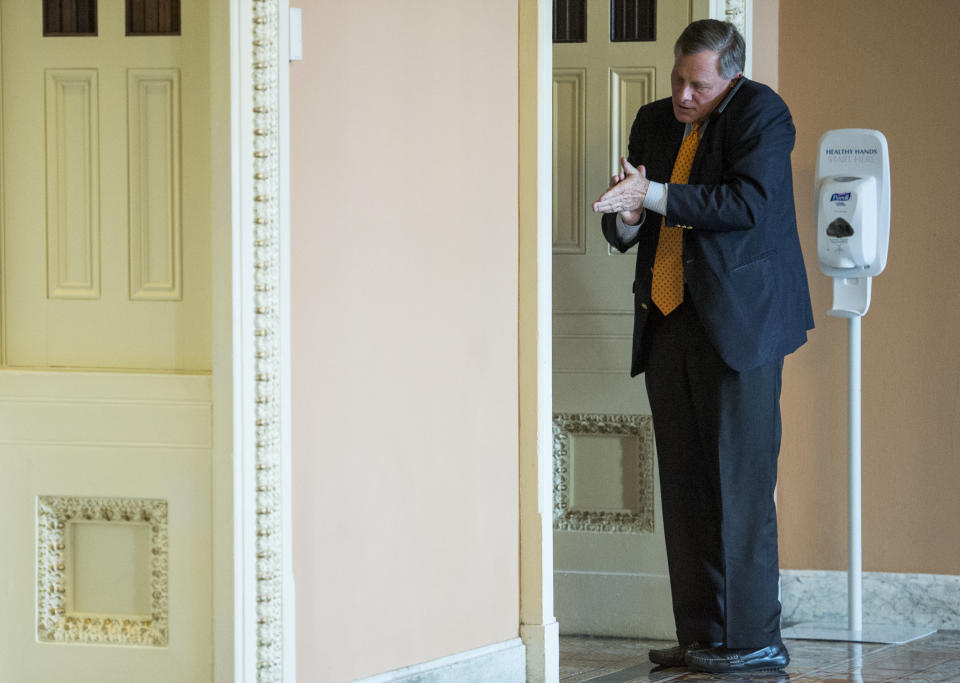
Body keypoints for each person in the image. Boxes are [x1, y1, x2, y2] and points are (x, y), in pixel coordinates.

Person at [592, 19, 814, 674]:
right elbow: (632, 216)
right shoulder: (653, 119)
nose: (684, 95)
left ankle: (755, 637)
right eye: (678, 79)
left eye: (699, 84)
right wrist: (629, 216)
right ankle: (703, 635)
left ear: (731, 76)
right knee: (686, 488)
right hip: (667, 318)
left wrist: (654, 194)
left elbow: (749, 202)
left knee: (741, 489)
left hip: (740, 325)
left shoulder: (762, 113)